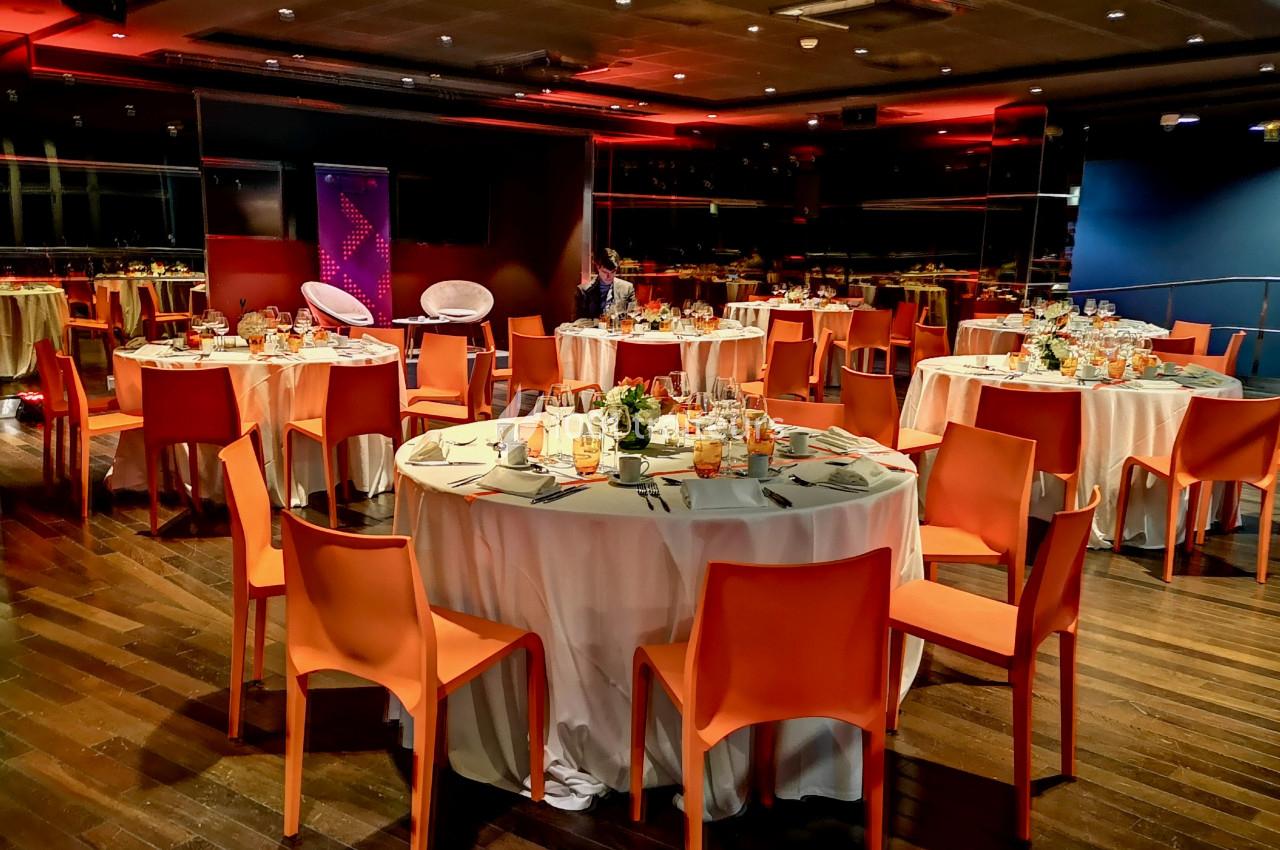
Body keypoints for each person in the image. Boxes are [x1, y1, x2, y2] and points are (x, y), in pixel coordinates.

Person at [576, 248, 637, 319]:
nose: (609, 276)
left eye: (613, 272)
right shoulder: (583, 291)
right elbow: (578, 322)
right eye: (605, 272)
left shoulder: (627, 288)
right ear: (598, 268)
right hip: (594, 329)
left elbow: (633, 315)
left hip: (618, 328)